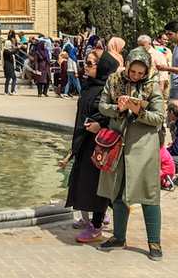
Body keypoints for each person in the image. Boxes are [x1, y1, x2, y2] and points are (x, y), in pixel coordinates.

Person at [97, 47, 165, 260]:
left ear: (146, 71)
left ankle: (154, 242)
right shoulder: (114, 80)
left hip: (143, 148)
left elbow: (159, 118)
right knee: (118, 192)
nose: (135, 76)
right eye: (132, 71)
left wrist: (138, 111)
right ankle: (118, 237)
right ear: (126, 65)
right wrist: (117, 108)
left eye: (140, 73)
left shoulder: (152, 85)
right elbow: (102, 106)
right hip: (117, 145)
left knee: (149, 194)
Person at [58, 49, 116, 243]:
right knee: (86, 184)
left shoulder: (108, 88)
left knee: (97, 186)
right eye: (86, 63)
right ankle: (94, 219)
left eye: (90, 64)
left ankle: (97, 225)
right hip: (86, 142)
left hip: (99, 144)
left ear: (102, 67)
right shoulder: (89, 85)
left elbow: (115, 116)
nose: (86, 66)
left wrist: (101, 125)